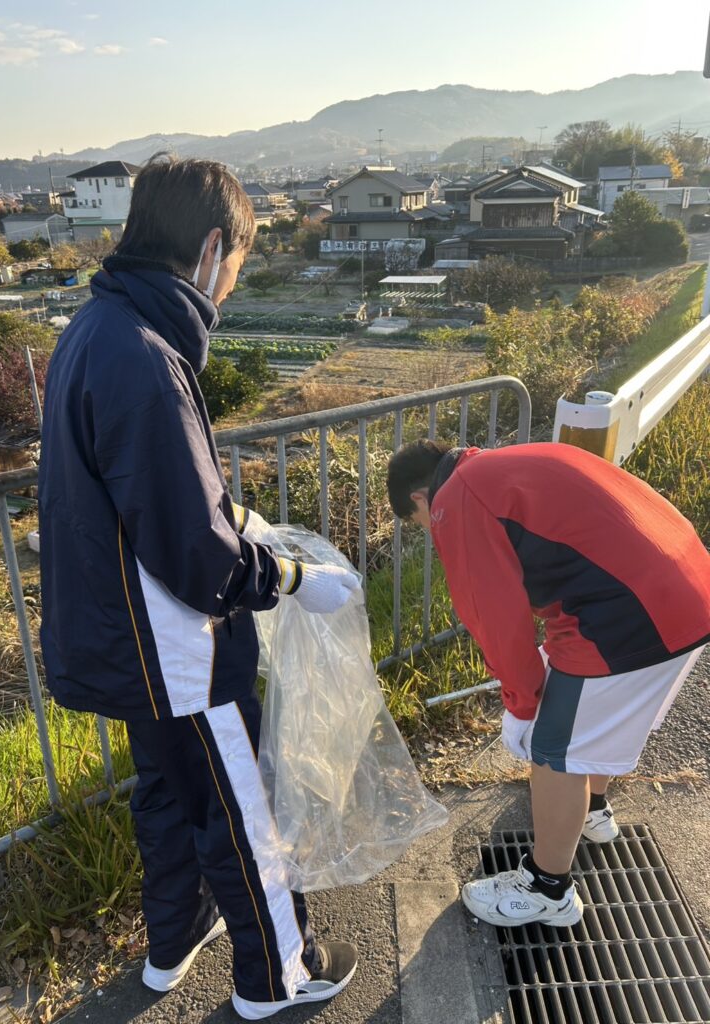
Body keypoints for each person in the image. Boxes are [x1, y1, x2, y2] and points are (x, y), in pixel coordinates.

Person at [38, 156, 360, 1020]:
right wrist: (295, 577)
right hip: (177, 646)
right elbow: (198, 559)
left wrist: (235, 517)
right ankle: (280, 976)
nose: (233, 281)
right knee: (238, 807)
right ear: (213, 247)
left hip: (124, 639)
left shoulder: (95, 327)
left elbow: (141, 494)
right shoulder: (146, 358)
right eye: (240, 261)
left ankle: (174, 938)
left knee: (168, 793)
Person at [386, 439, 710, 928]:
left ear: (418, 498)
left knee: (554, 750)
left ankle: (546, 889)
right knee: (590, 723)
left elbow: (497, 619)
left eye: (420, 523)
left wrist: (522, 706)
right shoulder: (500, 465)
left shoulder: (456, 497)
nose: (429, 530)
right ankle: (593, 809)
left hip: (627, 615)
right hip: (686, 587)